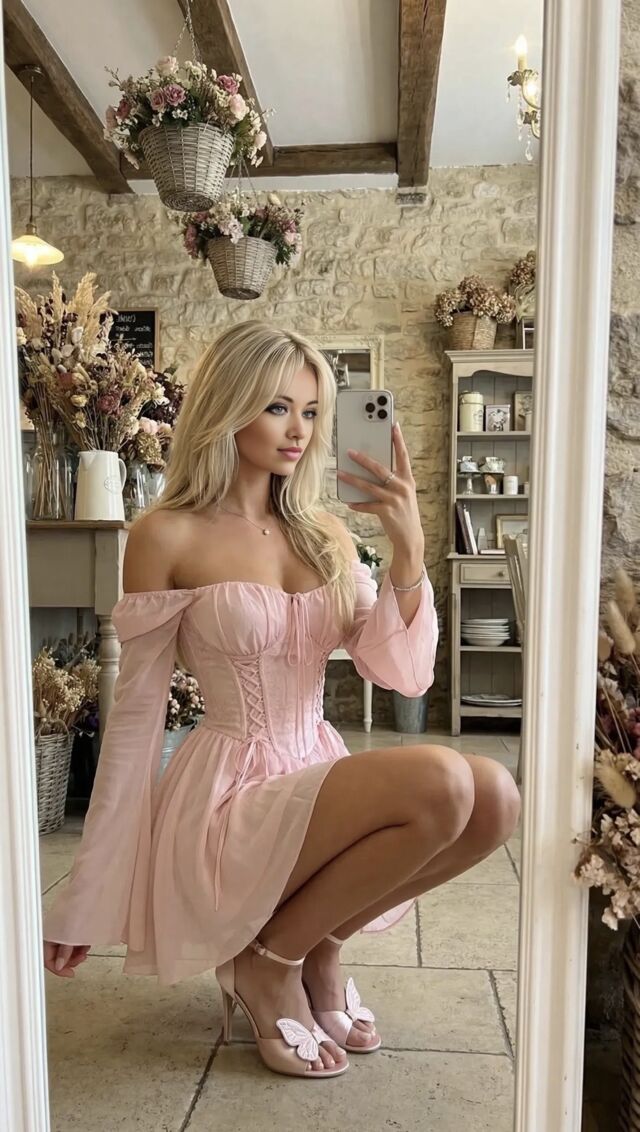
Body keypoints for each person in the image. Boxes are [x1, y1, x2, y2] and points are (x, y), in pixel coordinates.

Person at [42, 321, 520, 1079]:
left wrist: (407, 550)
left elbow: (402, 674)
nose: (299, 430)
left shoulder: (325, 533)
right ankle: (267, 965)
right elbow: (133, 724)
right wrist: (86, 895)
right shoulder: (166, 535)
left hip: (314, 764)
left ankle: (315, 947)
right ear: (227, 405)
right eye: (277, 407)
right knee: (443, 781)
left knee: (493, 796)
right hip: (230, 796)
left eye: (311, 411)